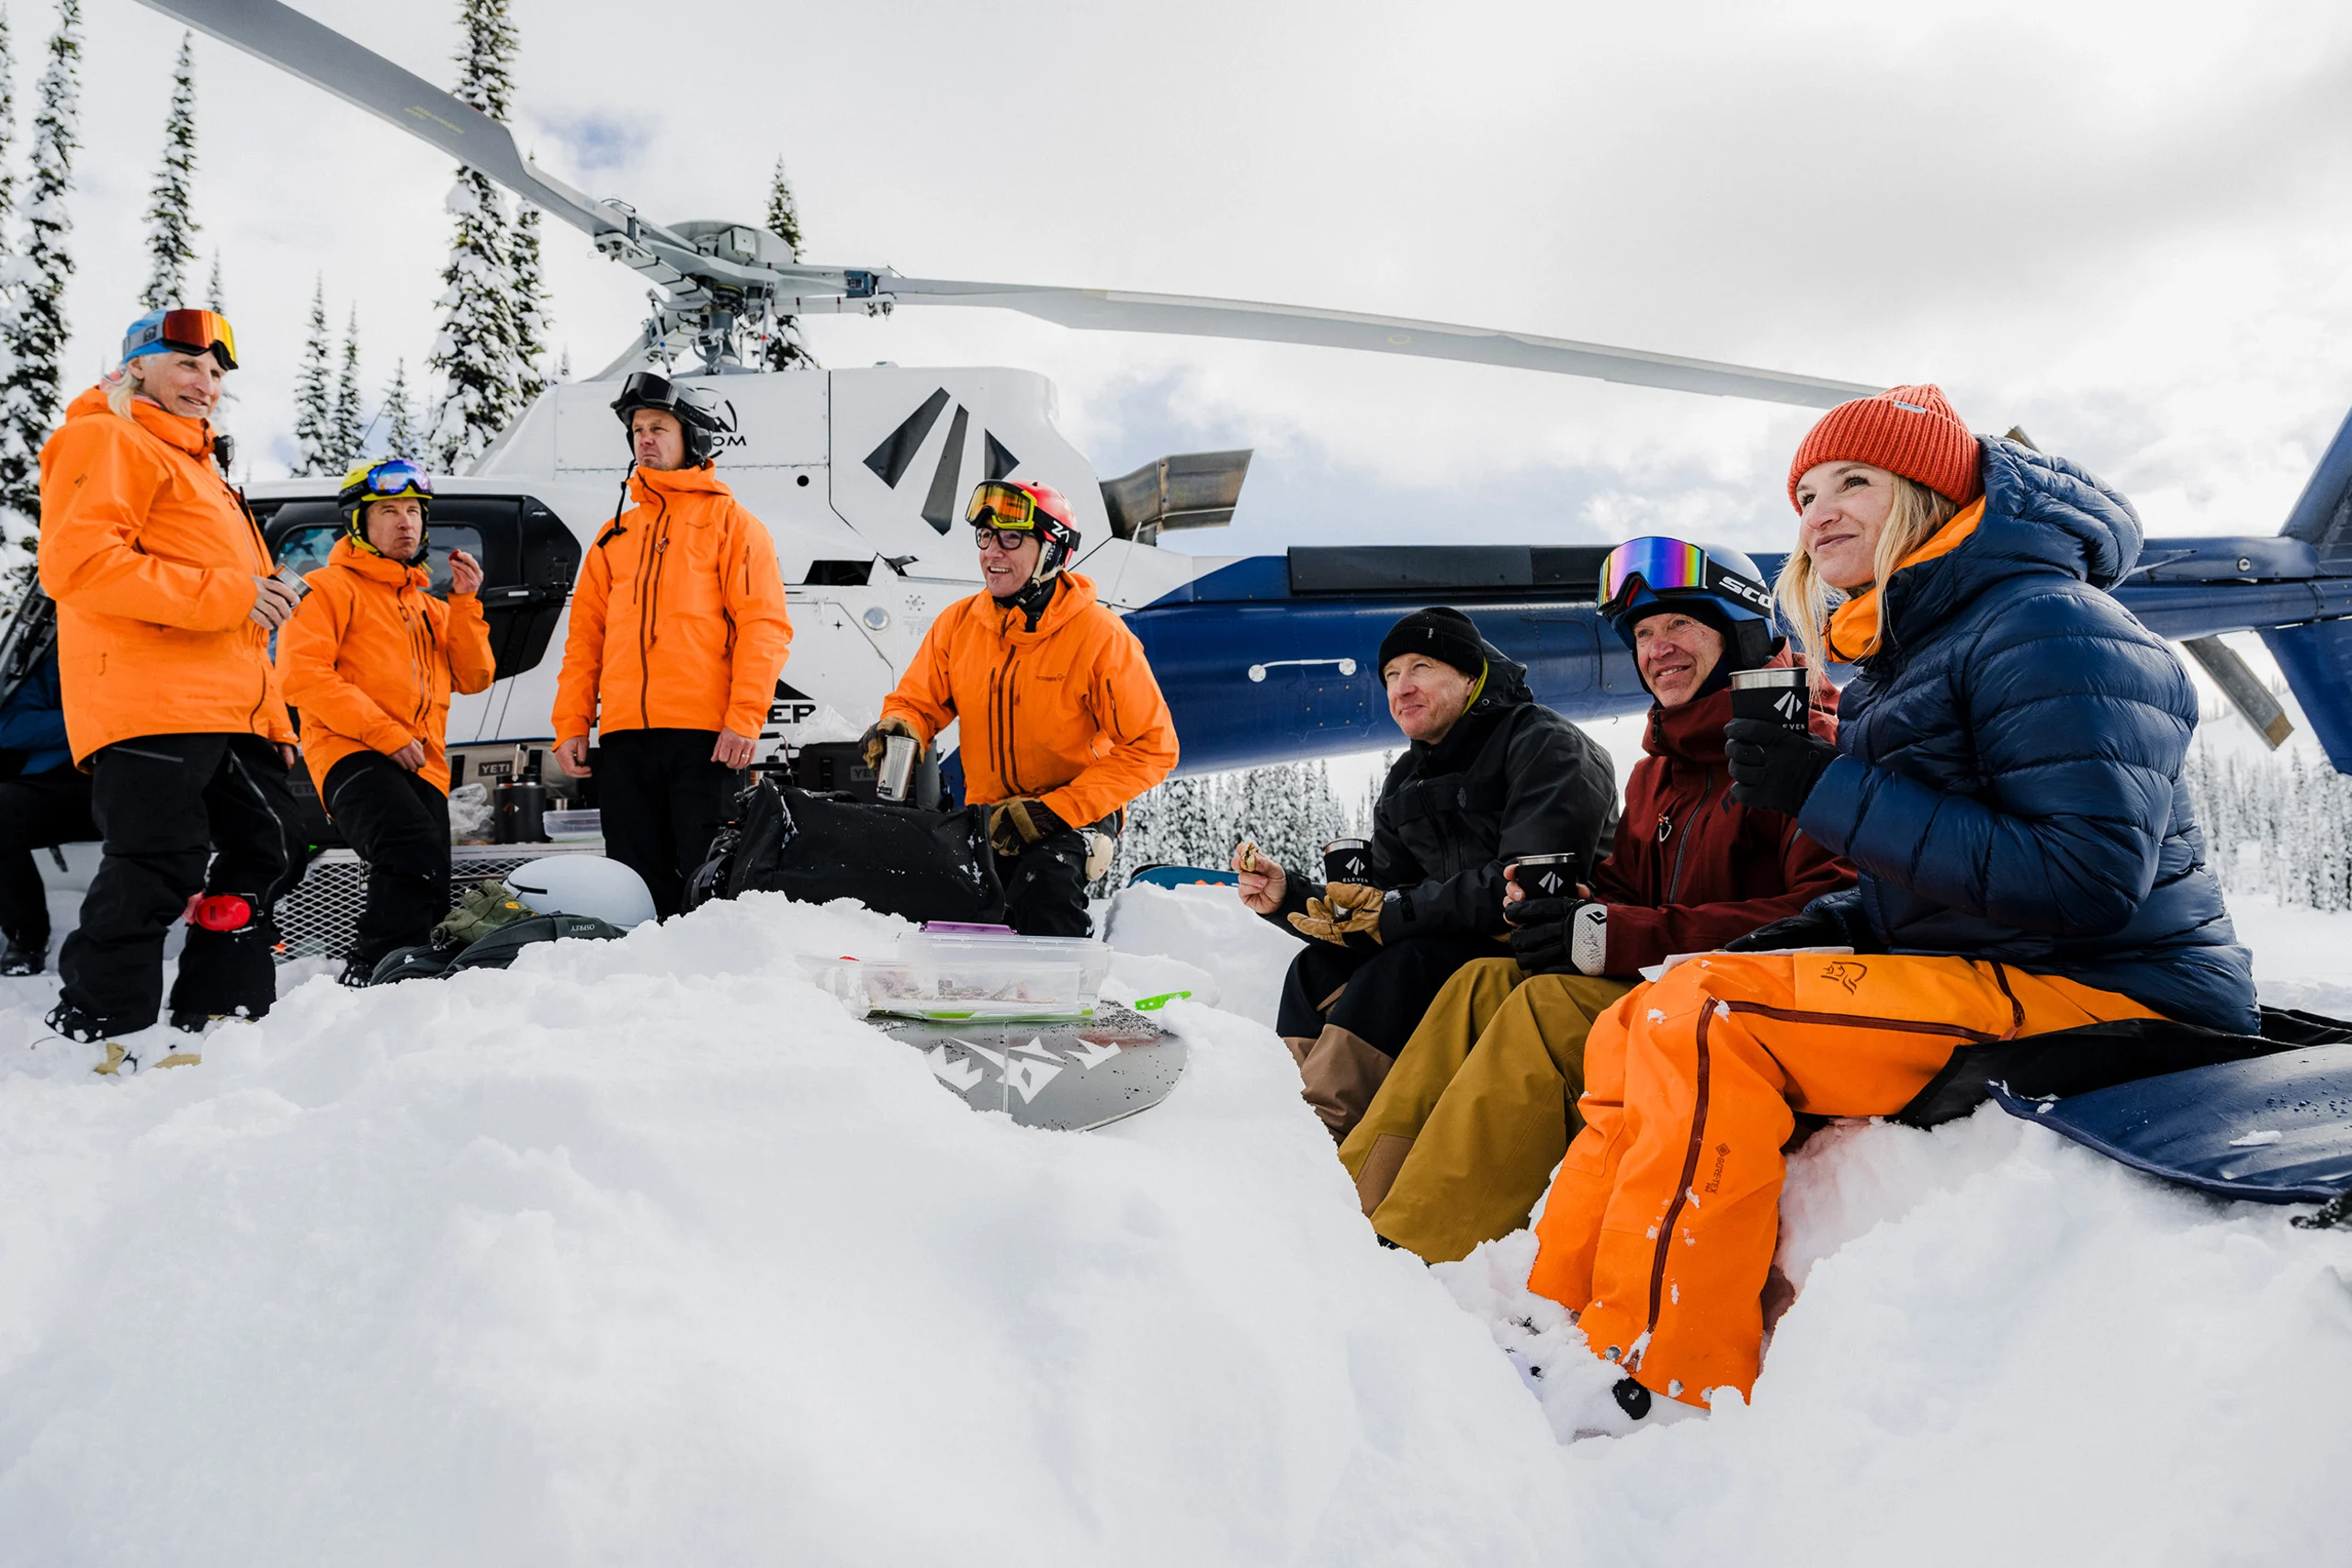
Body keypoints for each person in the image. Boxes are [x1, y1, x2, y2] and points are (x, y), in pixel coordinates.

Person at [1522, 384, 2256, 1421]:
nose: (1818, 512)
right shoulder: (1903, 654)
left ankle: (1658, 1367)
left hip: (2117, 989)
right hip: (1998, 966)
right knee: (1648, 1009)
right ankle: (1552, 1316)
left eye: (1852, 481)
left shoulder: (2054, 624)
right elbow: (1926, 888)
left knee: (1712, 1021)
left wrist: (1822, 788)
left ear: (1929, 492)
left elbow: (2086, 878)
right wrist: (1802, 932)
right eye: (1805, 495)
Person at [1340, 541, 1856, 1260]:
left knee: (1545, 1009)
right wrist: (1571, 909)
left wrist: (1621, 933)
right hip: (1675, 996)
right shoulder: (1660, 774)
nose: (1657, 648)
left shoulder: (1803, 747)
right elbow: (1626, 894)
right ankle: (1344, 1208)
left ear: (1740, 632)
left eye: (1679, 625)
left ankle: (1416, 1243)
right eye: (1643, 633)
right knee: (1480, 982)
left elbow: (1832, 912)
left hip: (1756, 1019)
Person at [1234, 607, 1616, 1142]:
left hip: (1547, 948)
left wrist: (1394, 913)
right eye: (1391, 675)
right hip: (1452, 944)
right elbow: (1380, 899)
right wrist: (1290, 897)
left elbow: (1526, 883)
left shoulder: (1545, 743)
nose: (1402, 687)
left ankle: (1320, 1135)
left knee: (1405, 964)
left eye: (1421, 667)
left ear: (1470, 676)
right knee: (1315, 970)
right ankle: (1284, 1112)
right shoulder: (1407, 779)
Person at [37, 308, 305, 1060]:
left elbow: (245, 615)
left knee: (272, 844)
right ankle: (98, 1027)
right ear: (137, 367)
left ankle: (217, 1008)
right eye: (187, 364)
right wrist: (233, 593)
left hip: (231, 710)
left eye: (215, 372)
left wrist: (273, 720)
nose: (205, 383)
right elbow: (79, 564)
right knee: (158, 859)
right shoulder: (107, 436)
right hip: (150, 701)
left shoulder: (201, 471)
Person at [864, 479, 1178, 937]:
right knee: (949, 904)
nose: (992, 552)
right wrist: (902, 725)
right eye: (985, 536)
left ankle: (1065, 981)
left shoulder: (1100, 636)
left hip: (1074, 813)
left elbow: (1153, 747)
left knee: (1043, 887)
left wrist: (1056, 809)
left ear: (1053, 551)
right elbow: (918, 702)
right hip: (990, 815)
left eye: (1011, 538)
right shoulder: (959, 624)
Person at [552, 371, 793, 918]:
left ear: (693, 438)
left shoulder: (734, 526)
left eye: (659, 428)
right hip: (624, 743)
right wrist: (571, 724)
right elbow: (585, 639)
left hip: (703, 741)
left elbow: (764, 627)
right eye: (638, 429)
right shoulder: (613, 536)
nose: (645, 439)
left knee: (709, 886)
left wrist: (744, 719)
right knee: (633, 887)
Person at [276, 457, 496, 985]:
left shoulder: (431, 607)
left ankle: (414, 980)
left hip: (424, 765)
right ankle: (373, 971)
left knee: (431, 877)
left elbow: (475, 676)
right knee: (407, 846)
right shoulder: (326, 589)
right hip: (352, 751)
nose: (406, 523)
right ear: (359, 522)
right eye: (389, 511)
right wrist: (385, 734)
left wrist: (465, 603)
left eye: (414, 512)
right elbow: (302, 677)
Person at [0, 589, 96, 974]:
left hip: (147, 777)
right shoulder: (57, 657)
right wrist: (93, 722)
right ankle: (26, 939)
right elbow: (10, 726)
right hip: (62, 785)